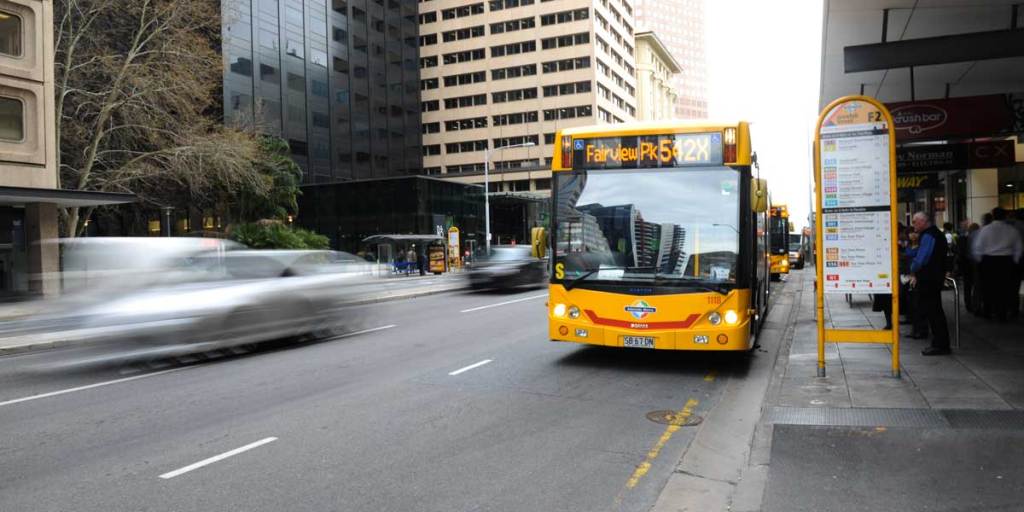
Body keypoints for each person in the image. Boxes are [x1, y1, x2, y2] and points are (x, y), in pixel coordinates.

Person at [908, 212, 951, 356]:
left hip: (929, 279)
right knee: (934, 311)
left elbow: (922, 258)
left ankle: (940, 344)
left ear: (923, 221)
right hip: (934, 277)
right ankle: (939, 343)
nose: (913, 224)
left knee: (934, 312)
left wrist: (912, 269)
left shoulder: (929, 235)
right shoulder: (934, 234)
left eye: (915, 221)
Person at [971, 208, 1024, 321]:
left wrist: (980, 261)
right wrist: (1014, 261)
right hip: (1006, 261)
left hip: (989, 261)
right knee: (1005, 289)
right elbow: (1018, 248)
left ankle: (988, 311)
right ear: (1005, 216)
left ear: (993, 216)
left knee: (988, 288)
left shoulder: (985, 230)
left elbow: (977, 248)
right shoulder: (1011, 230)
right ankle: (1002, 313)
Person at [959, 222, 981, 312]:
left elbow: (961, 253)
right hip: (975, 264)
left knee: (967, 286)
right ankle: (975, 305)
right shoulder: (978, 239)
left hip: (966, 265)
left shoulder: (963, 239)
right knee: (976, 285)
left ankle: (968, 304)